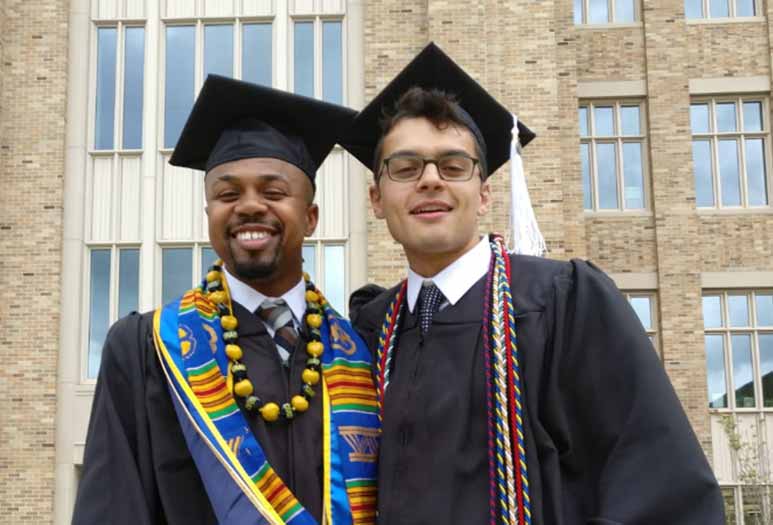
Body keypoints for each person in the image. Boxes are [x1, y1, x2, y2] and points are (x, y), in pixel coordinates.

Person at [344, 43, 724, 525]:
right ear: (377, 199)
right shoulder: (369, 333)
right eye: (406, 167)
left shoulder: (564, 304)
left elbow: (663, 488)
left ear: (483, 194)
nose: (431, 180)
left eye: (453, 165)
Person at [72, 75, 379, 525]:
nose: (249, 206)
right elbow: (111, 507)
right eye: (227, 194)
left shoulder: (358, 349)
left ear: (311, 217)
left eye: (274, 192)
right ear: (209, 215)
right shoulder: (144, 350)